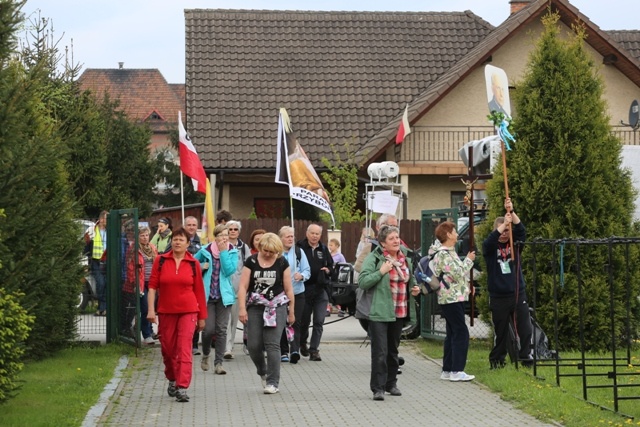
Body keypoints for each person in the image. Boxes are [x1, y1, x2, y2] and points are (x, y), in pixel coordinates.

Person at [358, 225, 420, 401]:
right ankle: (377, 388)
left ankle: (391, 384)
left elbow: (410, 279)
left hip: (398, 311)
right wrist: (381, 272)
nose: (396, 241)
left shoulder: (404, 258)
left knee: (393, 351)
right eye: (392, 238)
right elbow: (363, 281)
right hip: (379, 312)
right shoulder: (375, 258)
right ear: (383, 243)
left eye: (397, 237)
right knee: (380, 351)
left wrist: (414, 288)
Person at [147, 227, 207, 402]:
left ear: (188, 244)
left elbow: (199, 292)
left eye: (181, 239)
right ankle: (172, 378)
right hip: (166, 311)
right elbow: (152, 287)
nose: (177, 242)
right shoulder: (160, 261)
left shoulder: (193, 264)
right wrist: (151, 310)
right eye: (175, 239)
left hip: (188, 311)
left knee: (184, 348)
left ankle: (182, 386)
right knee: (168, 349)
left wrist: (202, 316)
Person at [237, 233, 295, 394]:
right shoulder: (252, 261)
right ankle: (262, 370)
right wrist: (242, 308)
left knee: (272, 344)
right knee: (253, 344)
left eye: (272, 251)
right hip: (256, 305)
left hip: (277, 306)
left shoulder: (282, 262)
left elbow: (289, 289)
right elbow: (243, 287)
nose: (268, 254)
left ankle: (272, 382)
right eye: (265, 250)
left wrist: (291, 311)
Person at [482, 198, 532, 369]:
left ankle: (525, 357)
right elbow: (489, 241)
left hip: (518, 292)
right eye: (501, 231)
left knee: (525, 327)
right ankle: (497, 360)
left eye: (507, 231)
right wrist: (503, 225)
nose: (504, 234)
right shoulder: (490, 248)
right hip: (499, 296)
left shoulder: (515, 245)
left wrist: (511, 211)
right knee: (501, 331)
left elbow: (521, 230)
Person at [429, 221, 476, 382]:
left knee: (452, 333)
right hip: (451, 298)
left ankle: (448, 369)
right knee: (461, 332)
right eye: (454, 231)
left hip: (455, 296)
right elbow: (458, 273)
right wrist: (469, 260)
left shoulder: (449, 252)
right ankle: (457, 369)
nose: (457, 233)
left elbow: (455, 276)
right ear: (448, 234)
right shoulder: (443, 254)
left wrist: (468, 287)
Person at [194, 223, 237, 375]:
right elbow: (192, 264)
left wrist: (224, 252)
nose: (224, 238)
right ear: (215, 237)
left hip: (224, 297)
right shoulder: (205, 250)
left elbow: (229, 270)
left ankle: (219, 363)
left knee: (221, 330)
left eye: (226, 235)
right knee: (207, 330)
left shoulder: (232, 251)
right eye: (221, 236)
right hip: (207, 296)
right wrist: (200, 266)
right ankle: (206, 354)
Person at [298, 223, 333, 361]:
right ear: (307, 233)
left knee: (319, 321)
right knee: (304, 321)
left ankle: (314, 350)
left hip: (320, 289)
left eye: (317, 234)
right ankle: (302, 343)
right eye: (312, 233)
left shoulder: (323, 248)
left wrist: (328, 270)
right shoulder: (299, 247)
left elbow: (331, 266)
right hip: (304, 289)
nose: (314, 236)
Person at [278, 226, 310, 364]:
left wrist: (301, 275)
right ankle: (283, 351)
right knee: (281, 322)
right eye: (287, 236)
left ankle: (295, 349)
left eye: (292, 236)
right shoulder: (276, 253)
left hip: (297, 292)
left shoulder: (299, 252)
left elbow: (307, 270)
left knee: (295, 321)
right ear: (281, 238)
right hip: (279, 293)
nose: (291, 239)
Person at [123, 226, 158, 345]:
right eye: (142, 235)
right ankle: (147, 334)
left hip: (152, 282)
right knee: (145, 308)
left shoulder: (152, 248)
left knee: (150, 307)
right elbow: (130, 268)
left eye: (147, 235)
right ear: (138, 236)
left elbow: (157, 263)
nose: (145, 237)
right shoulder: (133, 249)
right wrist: (134, 283)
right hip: (140, 283)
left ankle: (146, 329)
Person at [224, 220, 252, 359]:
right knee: (226, 320)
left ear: (239, 232)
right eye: (230, 229)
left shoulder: (243, 247)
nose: (233, 231)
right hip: (224, 287)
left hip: (238, 288)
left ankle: (231, 346)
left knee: (234, 319)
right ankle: (226, 348)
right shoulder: (222, 245)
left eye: (235, 229)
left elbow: (248, 266)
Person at [184, 216, 203, 355]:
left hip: (196, 281)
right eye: (189, 225)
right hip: (181, 281)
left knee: (195, 313)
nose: (191, 227)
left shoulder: (199, 241)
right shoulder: (178, 239)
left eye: (194, 225)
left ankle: (194, 343)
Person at [87, 210, 108, 316]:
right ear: (101, 219)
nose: (107, 221)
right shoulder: (92, 230)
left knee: (107, 284)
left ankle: (103, 308)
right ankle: (102, 307)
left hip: (108, 260)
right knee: (101, 283)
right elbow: (86, 244)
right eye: (106, 219)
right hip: (96, 261)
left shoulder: (111, 231)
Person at [328, 238, 346, 316]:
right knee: (328, 291)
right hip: (329, 276)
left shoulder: (340, 256)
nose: (330, 247)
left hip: (336, 276)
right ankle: (328, 307)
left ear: (337, 246)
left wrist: (340, 272)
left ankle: (339, 306)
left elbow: (344, 265)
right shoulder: (328, 255)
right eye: (329, 245)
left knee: (336, 291)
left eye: (331, 245)